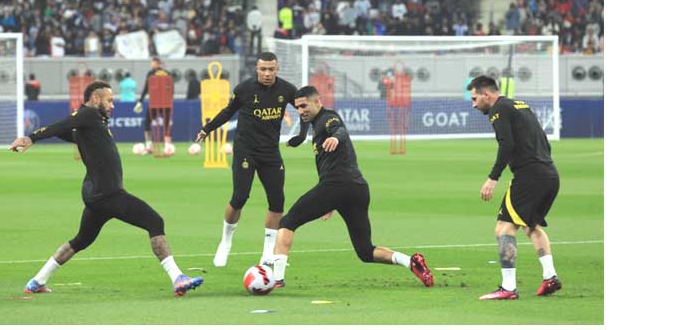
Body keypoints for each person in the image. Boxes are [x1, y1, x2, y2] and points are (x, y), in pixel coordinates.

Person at [9, 81, 203, 296]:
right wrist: (31, 138)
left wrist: (49, 133)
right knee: (155, 221)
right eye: (109, 100)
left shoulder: (91, 124)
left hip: (95, 195)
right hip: (108, 194)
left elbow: (64, 131)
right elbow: (62, 124)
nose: (112, 105)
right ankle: (177, 278)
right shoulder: (89, 115)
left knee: (81, 240)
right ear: (95, 99)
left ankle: (36, 281)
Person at [270, 86, 434, 289]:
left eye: (304, 105)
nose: (301, 110)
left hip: (336, 186)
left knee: (287, 222)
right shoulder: (316, 124)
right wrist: (329, 202)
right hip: (356, 189)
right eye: (297, 107)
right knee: (365, 251)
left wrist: (335, 137)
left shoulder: (327, 118)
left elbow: (339, 129)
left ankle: (275, 279)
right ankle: (411, 262)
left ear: (317, 101)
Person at [196, 52, 308, 267]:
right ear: (257, 69)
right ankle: (226, 242)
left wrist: (302, 135)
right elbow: (228, 111)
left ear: (277, 69)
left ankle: (267, 254)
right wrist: (207, 129)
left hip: (270, 153)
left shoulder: (286, 90)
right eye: (263, 69)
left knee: (277, 202)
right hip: (245, 150)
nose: (267, 73)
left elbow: (303, 109)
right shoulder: (245, 89)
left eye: (271, 69)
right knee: (239, 197)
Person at [466, 76, 561, 300]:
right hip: (549, 173)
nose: (473, 104)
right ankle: (550, 277)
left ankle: (508, 288)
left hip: (530, 176)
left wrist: (493, 178)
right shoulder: (520, 105)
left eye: (474, 98)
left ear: (486, 94)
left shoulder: (498, 110)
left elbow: (506, 144)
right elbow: (542, 140)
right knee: (530, 226)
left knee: (503, 228)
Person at [133, 57, 172, 155]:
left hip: (154, 103)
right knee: (166, 124)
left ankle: (149, 146)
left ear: (157, 63)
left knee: (147, 123)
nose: (151, 64)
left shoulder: (151, 74)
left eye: (153, 62)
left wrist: (140, 101)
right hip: (166, 103)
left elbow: (146, 88)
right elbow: (170, 89)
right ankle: (167, 147)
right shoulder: (167, 73)